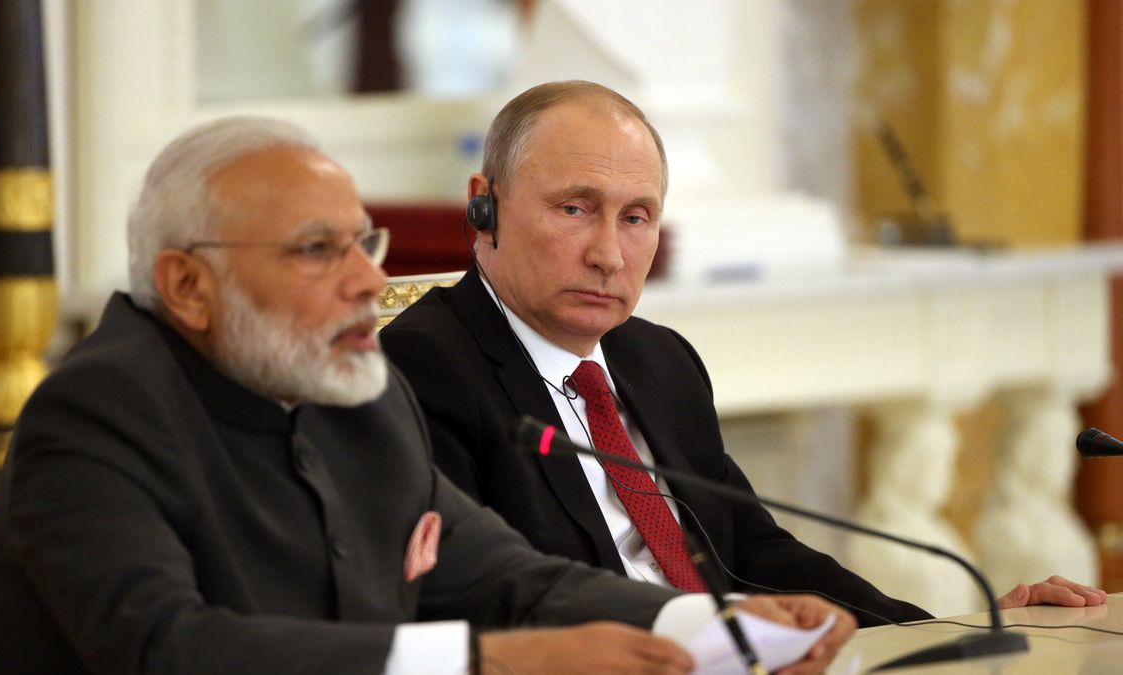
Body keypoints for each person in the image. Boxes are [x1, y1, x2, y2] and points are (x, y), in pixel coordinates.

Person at [0, 116, 855, 675]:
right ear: (187, 285)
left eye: (364, 241)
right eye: (317, 250)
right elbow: (169, 649)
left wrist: (717, 624)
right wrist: (484, 662)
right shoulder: (97, 411)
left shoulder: (354, 388)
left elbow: (508, 577)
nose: (365, 281)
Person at [380, 80, 1109, 627]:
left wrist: (941, 633)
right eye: (575, 208)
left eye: (636, 218)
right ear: (484, 206)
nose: (608, 253)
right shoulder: (423, 368)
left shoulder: (658, 360)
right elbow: (486, 594)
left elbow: (756, 550)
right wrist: (707, 637)